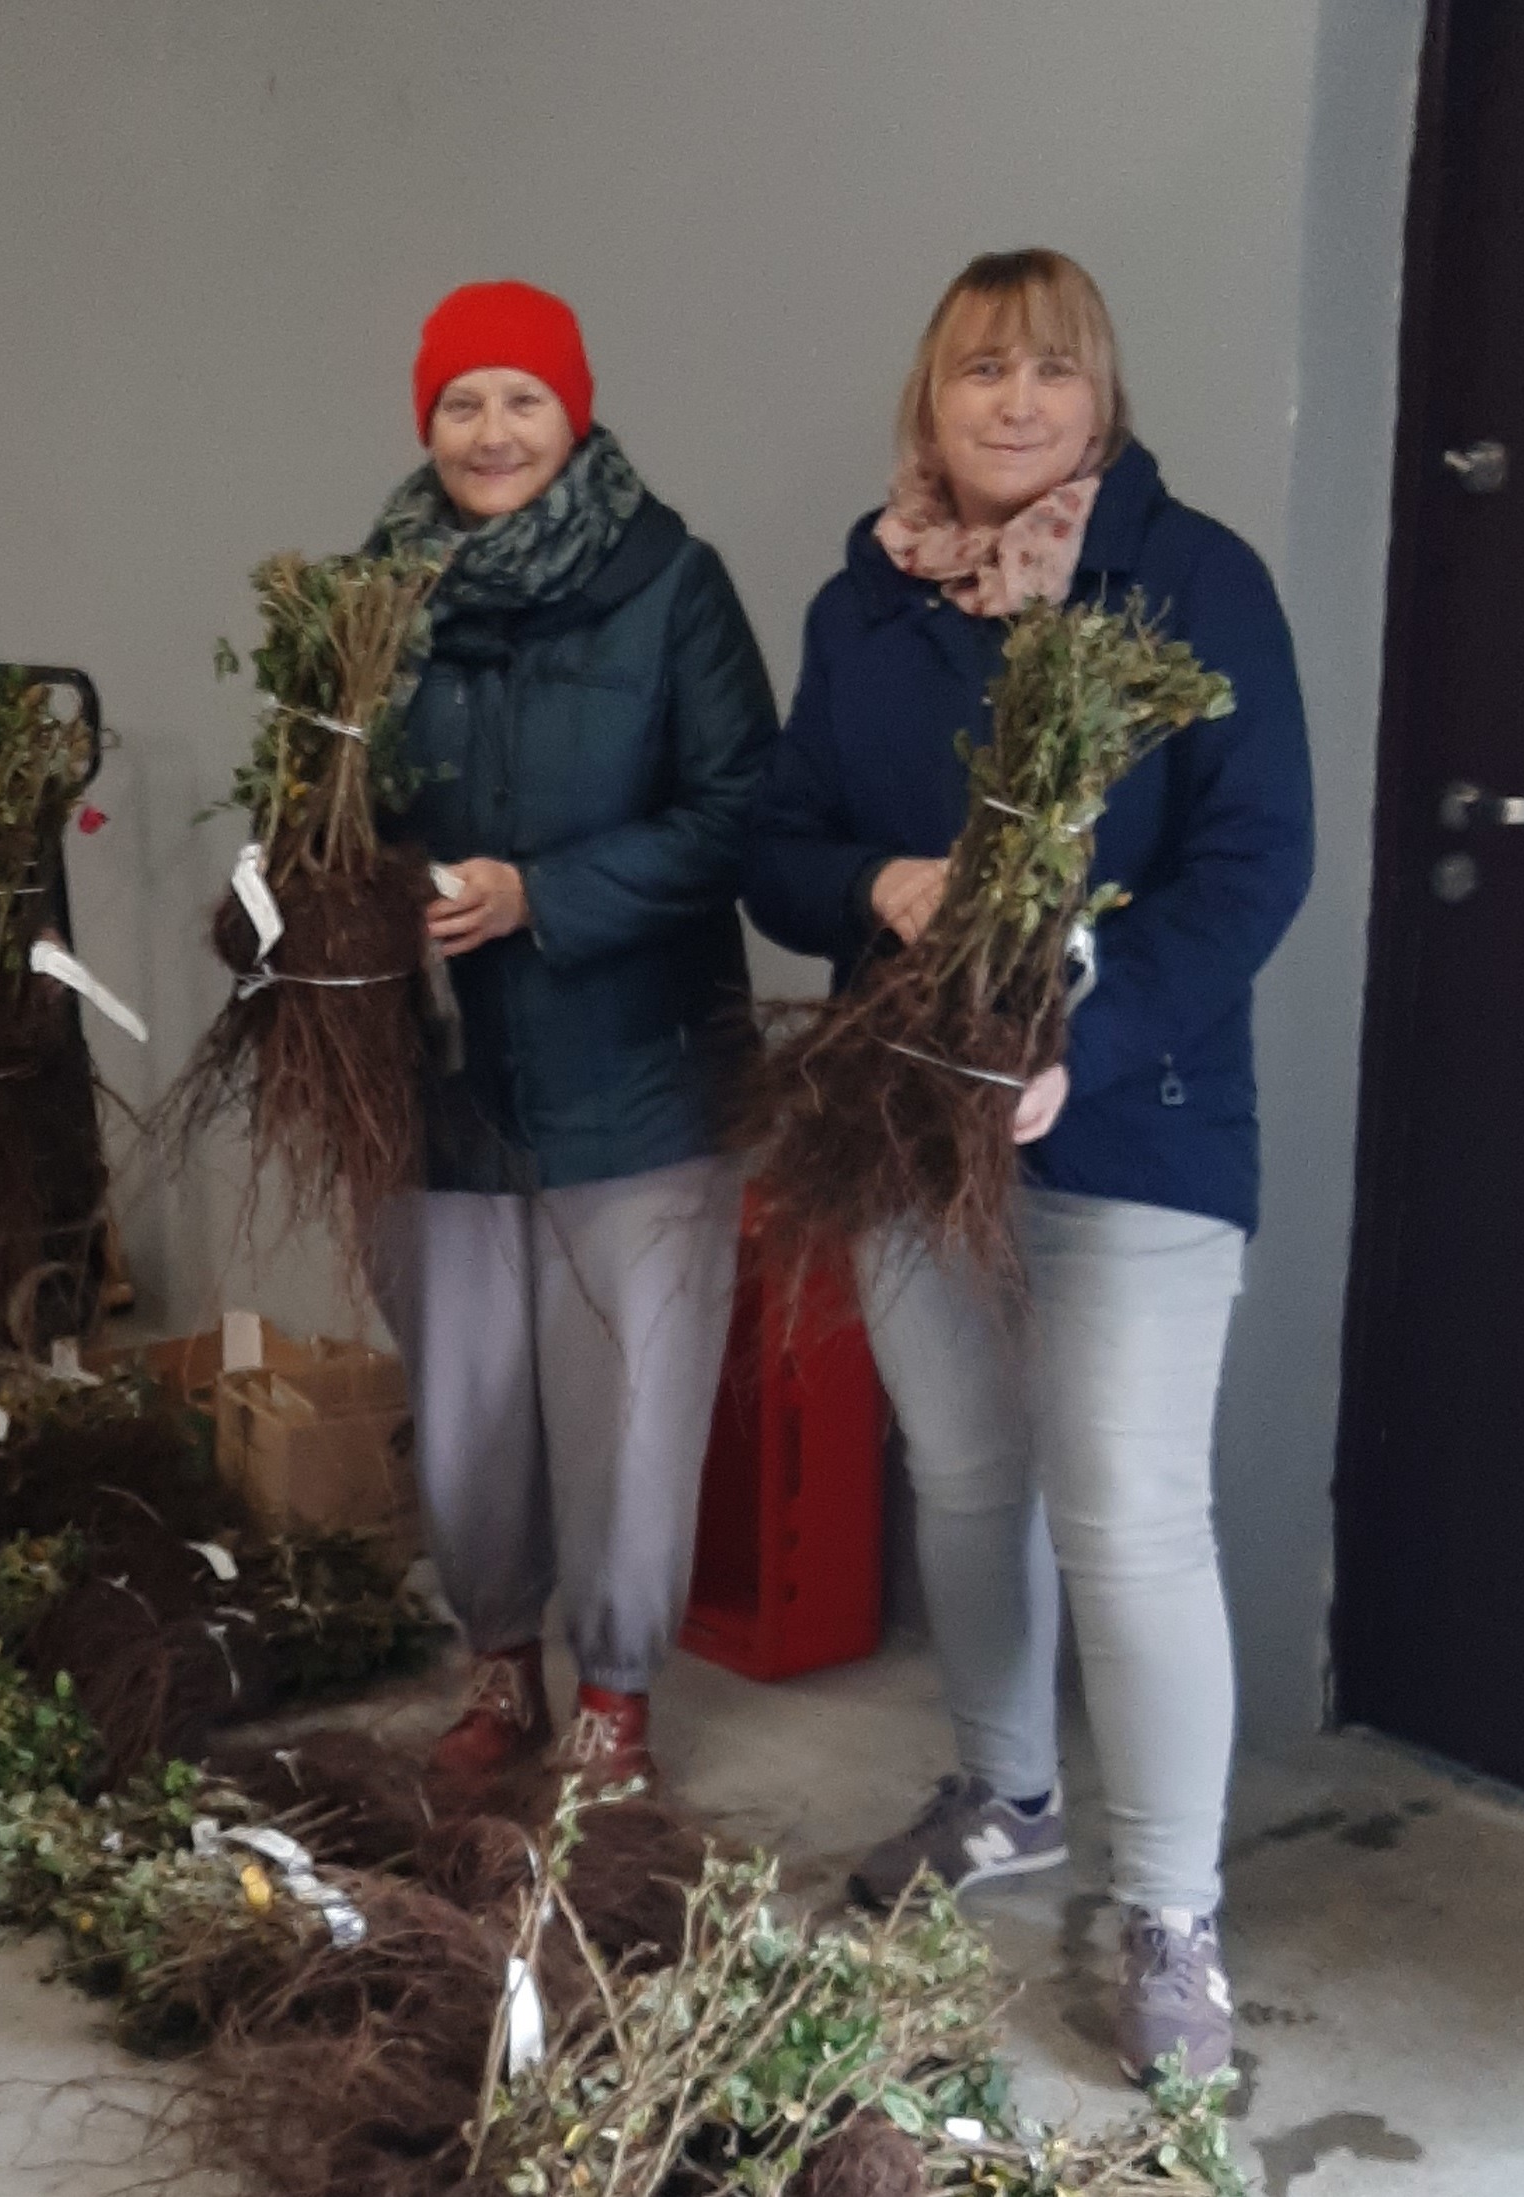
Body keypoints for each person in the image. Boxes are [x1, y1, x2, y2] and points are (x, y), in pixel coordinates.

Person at [742, 248, 1314, 2085]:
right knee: (969, 1473)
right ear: (929, 401)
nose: (1012, 400)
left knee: (1129, 1512)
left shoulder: (1192, 579)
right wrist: (863, 886)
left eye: (1049, 369)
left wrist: (1099, 1032)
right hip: (913, 1120)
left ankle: (1169, 1913)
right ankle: (1003, 1790)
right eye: (978, 368)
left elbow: (1254, 859)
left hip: (1135, 1124)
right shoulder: (867, 604)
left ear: (1100, 395)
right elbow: (777, 834)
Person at [363, 281, 778, 1788]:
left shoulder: (672, 583)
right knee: (466, 1401)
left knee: (627, 1409)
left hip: (636, 1073)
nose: (490, 431)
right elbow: (321, 795)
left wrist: (545, 894)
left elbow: (743, 812)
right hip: (436, 1078)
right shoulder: (373, 593)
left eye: (520, 399)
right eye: (459, 402)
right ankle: (496, 1676)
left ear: (574, 411)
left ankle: (612, 1698)